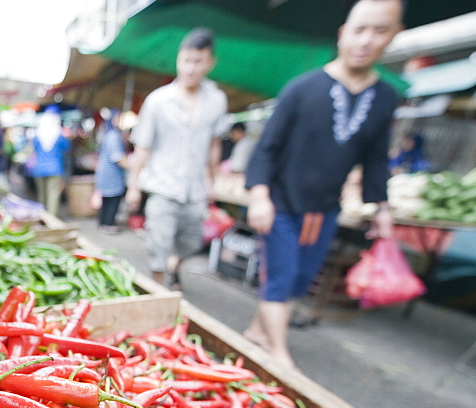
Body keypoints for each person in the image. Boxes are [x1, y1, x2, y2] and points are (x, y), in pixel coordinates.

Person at [242, 0, 402, 370]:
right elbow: (267, 147)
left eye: (379, 30)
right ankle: (279, 357)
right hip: (281, 201)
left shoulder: (385, 98)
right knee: (281, 276)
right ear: (343, 34)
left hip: (326, 207)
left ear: (394, 35)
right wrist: (260, 195)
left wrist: (381, 206)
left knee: (300, 278)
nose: (366, 40)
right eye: (359, 29)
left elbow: (377, 158)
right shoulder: (302, 88)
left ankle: (255, 331)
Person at [125, 28, 229, 288]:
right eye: (186, 61)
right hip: (162, 186)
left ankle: (173, 266)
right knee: (157, 244)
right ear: (178, 60)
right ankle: (160, 292)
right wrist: (133, 186)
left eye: (198, 62)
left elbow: (214, 144)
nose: (191, 69)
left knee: (193, 240)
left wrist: (212, 182)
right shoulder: (158, 101)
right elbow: (143, 146)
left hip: (194, 190)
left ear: (210, 62)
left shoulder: (217, 100)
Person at [28, 106, 71, 216]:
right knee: (53, 195)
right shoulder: (60, 135)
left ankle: (42, 218)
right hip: (55, 169)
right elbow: (67, 148)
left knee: (42, 196)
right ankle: (51, 218)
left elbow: (33, 149)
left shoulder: (37, 135)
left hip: (39, 169)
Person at [93, 111, 130, 234]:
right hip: (111, 175)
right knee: (112, 200)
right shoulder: (114, 136)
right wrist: (132, 167)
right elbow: (117, 157)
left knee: (107, 200)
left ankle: (103, 223)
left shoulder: (108, 134)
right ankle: (108, 225)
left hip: (104, 173)